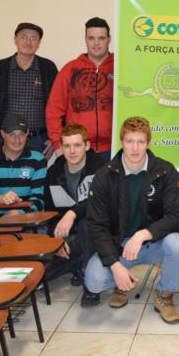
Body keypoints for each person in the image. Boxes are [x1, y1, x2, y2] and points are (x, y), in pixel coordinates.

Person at [84, 116, 179, 324]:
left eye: (140, 142)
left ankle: (164, 294)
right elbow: (96, 225)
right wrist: (115, 266)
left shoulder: (165, 170)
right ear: (121, 142)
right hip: (119, 246)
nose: (135, 148)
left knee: (177, 244)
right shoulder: (104, 176)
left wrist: (143, 235)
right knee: (94, 281)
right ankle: (121, 283)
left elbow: (178, 215)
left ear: (148, 143)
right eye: (130, 141)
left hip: (153, 242)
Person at [43, 124, 108, 306]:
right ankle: (78, 263)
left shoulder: (102, 167)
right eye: (67, 146)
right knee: (41, 273)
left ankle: (90, 285)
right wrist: (56, 241)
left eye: (77, 145)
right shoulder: (53, 172)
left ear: (87, 146)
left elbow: (100, 202)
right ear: (62, 147)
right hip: (69, 237)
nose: (72, 151)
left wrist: (72, 213)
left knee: (86, 224)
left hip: (99, 233)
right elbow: (50, 212)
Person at [0, 22, 58, 157]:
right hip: (5, 140)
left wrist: (55, 138)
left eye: (33, 38)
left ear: (39, 43)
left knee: (36, 171)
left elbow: (58, 106)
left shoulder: (48, 68)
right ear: (15, 40)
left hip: (38, 140)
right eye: (23, 37)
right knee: (3, 171)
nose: (28, 42)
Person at [46, 17, 114, 159]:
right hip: (77, 149)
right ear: (85, 39)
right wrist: (58, 145)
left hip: (113, 149)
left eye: (101, 38)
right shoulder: (70, 69)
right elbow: (53, 110)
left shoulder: (120, 67)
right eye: (91, 38)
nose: (96, 43)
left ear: (109, 39)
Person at [0, 114, 46, 218]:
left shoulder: (38, 159)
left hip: (26, 221)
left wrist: (18, 214)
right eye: (11, 134)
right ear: (2, 134)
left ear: (27, 134)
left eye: (22, 134)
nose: (17, 140)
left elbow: (40, 200)